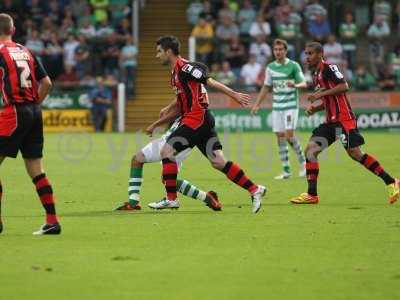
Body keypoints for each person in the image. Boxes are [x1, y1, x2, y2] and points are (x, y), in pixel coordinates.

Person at [149, 36, 266, 213]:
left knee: (166, 151)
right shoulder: (174, 74)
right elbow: (181, 104)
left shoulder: (185, 67)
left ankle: (171, 199)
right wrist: (159, 120)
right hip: (200, 119)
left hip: (196, 119)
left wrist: (233, 94)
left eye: (159, 52)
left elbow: (209, 81)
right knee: (218, 162)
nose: (156, 56)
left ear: (168, 52)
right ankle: (255, 189)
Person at [290, 42, 399, 204]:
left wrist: (320, 95)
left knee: (355, 154)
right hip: (330, 122)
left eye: (310, 54)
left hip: (343, 120)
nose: (307, 57)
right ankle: (311, 194)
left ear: (320, 54)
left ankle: (391, 181)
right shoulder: (316, 74)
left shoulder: (329, 67)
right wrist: (316, 108)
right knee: (311, 151)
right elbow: (329, 99)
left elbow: (344, 86)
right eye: (306, 54)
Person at [0, 13, 61, 235]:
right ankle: (52, 221)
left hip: (13, 112)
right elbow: (46, 83)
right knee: (36, 169)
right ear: (13, 30)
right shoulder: (26, 51)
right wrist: (33, 104)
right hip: (34, 112)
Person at [114, 115, 222, 212]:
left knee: (137, 160)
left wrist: (156, 124)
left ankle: (133, 202)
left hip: (173, 142)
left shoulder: (190, 98)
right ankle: (207, 197)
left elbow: (176, 107)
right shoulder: (192, 102)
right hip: (174, 140)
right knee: (167, 179)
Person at [251, 39, 307, 180]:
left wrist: (294, 84)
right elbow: (266, 87)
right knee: (280, 137)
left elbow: (303, 83)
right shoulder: (270, 68)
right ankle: (286, 171)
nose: (278, 52)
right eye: (276, 49)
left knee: (289, 136)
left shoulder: (294, 66)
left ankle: (303, 163)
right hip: (277, 107)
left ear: (285, 51)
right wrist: (257, 104)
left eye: (281, 49)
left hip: (290, 106)